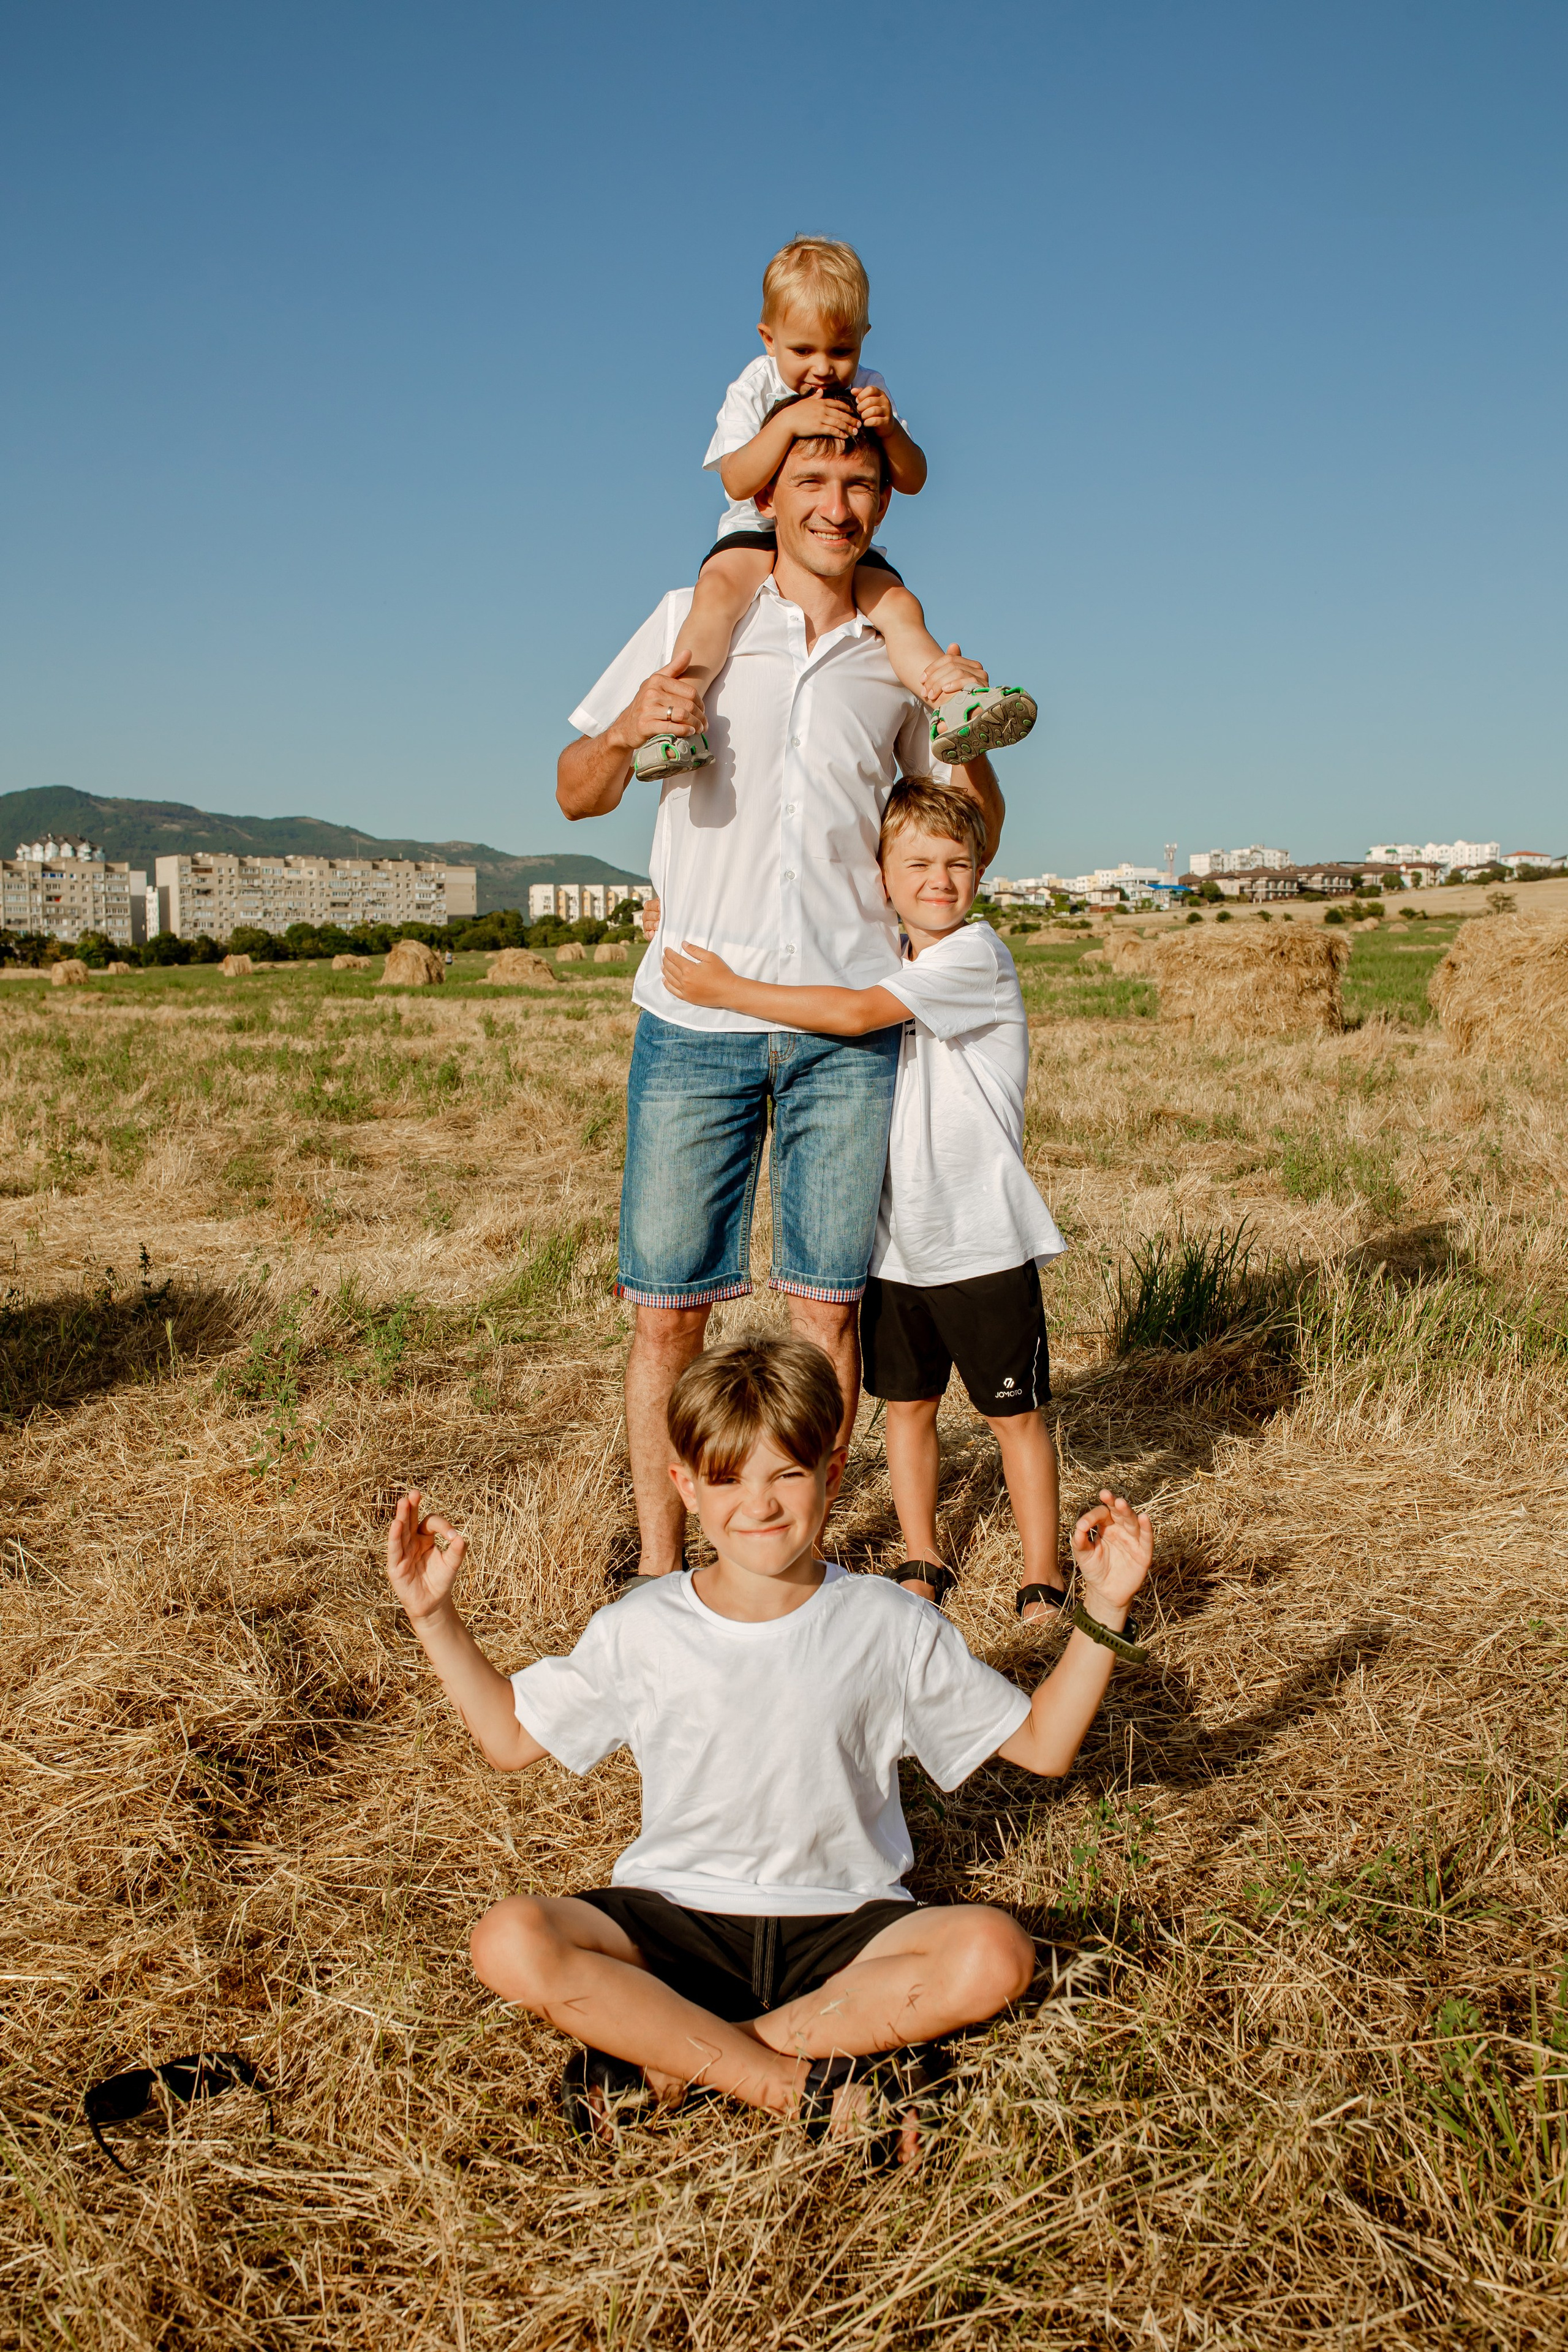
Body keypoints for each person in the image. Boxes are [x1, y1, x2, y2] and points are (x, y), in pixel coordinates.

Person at [383, 1336, 1153, 2155]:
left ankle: (681, 2052)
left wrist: (1103, 1610)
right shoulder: (641, 1628)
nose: (759, 1505)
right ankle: (794, 2087)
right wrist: (433, 1616)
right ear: (684, 1486)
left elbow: (1043, 1744)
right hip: (672, 1921)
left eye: (785, 1473)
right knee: (507, 1939)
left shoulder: (888, 1622)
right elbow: (507, 1736)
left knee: (995, 1955)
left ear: (830, 1475)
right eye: (726, 1479)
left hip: (845, 1927)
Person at [557, 383, 1009, 1589]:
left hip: (842, 1035)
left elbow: (958, 829)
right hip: (693, 1022)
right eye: (810, 480)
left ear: (882, 499)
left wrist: (963, 730)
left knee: (826, 1315)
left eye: (858, 482)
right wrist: (625, 734)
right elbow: (573, 790)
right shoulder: (691, 620)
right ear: (766, 495)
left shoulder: (889, 647)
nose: (836, 503)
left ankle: (801, 1551)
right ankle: (661, 1568)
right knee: (665, 1316)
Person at [664, 779, 1070, 1623]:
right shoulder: (889, 950)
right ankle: (923, 1556)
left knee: (1014, 1417)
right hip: (894, 1246)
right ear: (879, 874)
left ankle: (1042, 1576)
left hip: (982, 1238)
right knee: (907, 1412)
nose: (940, 879)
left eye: (959, 863)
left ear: (983, 871)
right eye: (917, 862)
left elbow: (850, 1012)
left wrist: (728, 991)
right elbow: (806, 945)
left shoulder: (975, 955)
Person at [630, 235, 1038, 783]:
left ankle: (951, 698)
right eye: (803, 351)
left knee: (897, 606)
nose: (823, 370)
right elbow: (736, 480)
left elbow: (914, 479)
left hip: (840, 545)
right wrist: (787, 425)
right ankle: (677, 719)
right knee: (717, 598)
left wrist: (890, 430)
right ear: (769, 338)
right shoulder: (754, 388)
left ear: (864, 341)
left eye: (841, 353)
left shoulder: (870, 388)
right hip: (755, 531)